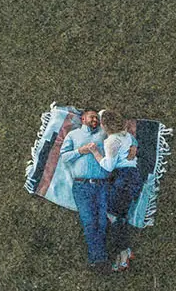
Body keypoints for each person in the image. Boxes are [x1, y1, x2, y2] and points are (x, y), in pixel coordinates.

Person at [90, 109, 143, 272]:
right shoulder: (126, 134)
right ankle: (123, 254)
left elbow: (108, 165)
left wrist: (95, 152)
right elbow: (133, 141)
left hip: (123, 180)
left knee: (114, 216)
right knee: (119, 215)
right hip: (133, 177)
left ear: (105, 125)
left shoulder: (111, 141)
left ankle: (124, 253)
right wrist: (134, 146)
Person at [59, 106, 110, 270]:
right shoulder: (73, 135)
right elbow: (64, 157)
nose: (94, 120)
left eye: (96, 118)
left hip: (101, 185)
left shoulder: (104, 134)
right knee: (89, 222)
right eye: (91, 117)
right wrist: (80, 151)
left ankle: (99, 256)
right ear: (82, 119)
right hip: (81, 186)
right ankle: (97, 259)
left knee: (102, 222)